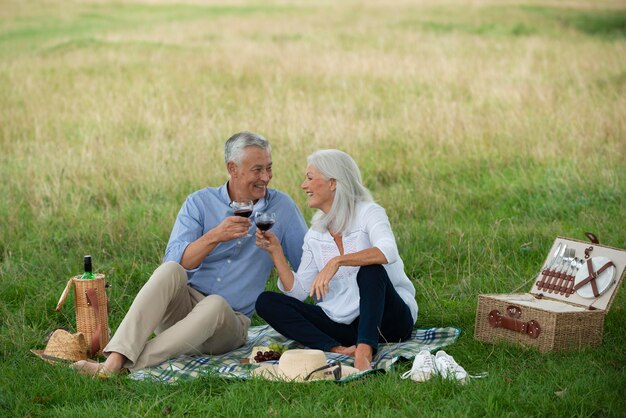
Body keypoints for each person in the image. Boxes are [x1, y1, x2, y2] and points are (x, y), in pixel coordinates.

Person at [72, 131, 307, 376]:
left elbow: (308, 265)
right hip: (182, 311)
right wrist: (214, 236)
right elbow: (175, 261)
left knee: (215, 304)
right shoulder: (199, 202)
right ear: (233, 168)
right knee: (170, 269)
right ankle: (116, 357)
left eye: (269, 168)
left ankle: (119, 367)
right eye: (257, 170)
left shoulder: (282, 208)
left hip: (228, 324)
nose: (266, 177)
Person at [255, 149, 418, 371]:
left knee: (371, 270)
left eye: (310, 178)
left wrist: (337, 261)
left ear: (333, 183)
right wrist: (276, 253)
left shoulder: (368, 212)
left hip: (388, 321)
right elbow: (299, 292)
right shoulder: (315, 234)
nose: (304, 185)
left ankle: (364, 351)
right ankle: (337, 349)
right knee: (266, 302)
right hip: (343, 325)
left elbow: (388, 251)